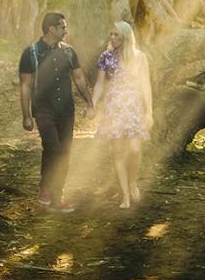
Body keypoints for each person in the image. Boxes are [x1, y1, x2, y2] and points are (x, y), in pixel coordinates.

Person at [19, 12, 95, 212]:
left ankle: (56, 195)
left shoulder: (69, 52)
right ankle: (48, 189)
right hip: (43, 109)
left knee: (64, 152)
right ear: (51, 29)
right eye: (62, 26)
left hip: (66, 110)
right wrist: (26, 115)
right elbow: (26, 86)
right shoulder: (31, 53)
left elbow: (78, 79)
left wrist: (89, 102)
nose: (66, 30)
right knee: (54, 149)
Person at [92, 21, 153, 209]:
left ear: (126, 36)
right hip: (114, 109)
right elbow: (100, 84)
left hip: (133, 108)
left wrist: (149, 110)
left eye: (116, 35)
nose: (112, 38)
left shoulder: (140, 58)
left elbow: (145, 85)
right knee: (118, 153)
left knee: (135, 149)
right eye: (111, 34)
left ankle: (132, 181)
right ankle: (125, 195)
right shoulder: (106, 57)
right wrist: (92, 104)